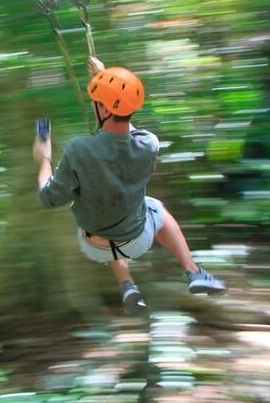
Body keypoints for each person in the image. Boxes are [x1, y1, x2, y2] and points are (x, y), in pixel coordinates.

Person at [32, 57, 226, 315]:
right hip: (137, 240)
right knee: (149, 207)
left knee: (104, 209)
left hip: (94, 245)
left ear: (103, 108)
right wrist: (105, 82)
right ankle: (193, 271)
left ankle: (127, 285)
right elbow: (122, 127)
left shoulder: (79, 150)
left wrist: (44, 157)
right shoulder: (149, 144)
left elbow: (48, 197)